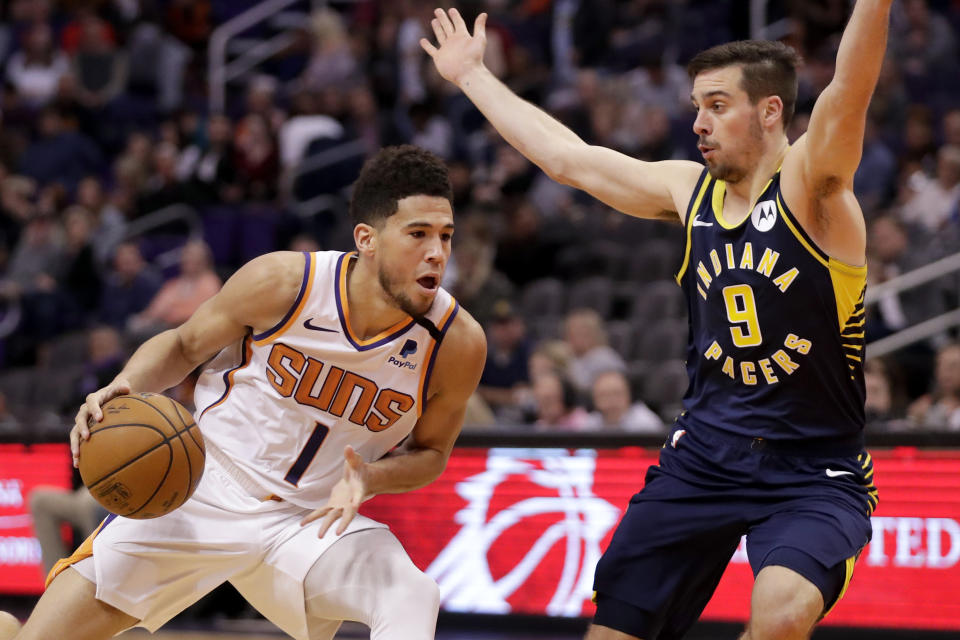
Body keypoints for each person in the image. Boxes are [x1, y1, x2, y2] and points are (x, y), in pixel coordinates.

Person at [422, 4, 887, 639]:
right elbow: (570, 160)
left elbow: (849, 89)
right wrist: (472, 74)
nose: (698, 122)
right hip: (703, 457)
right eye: (697, 105)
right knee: (614, 630)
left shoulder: (816, 189)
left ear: (770, 111)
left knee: (781, 617)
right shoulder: (688, 189)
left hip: (812, 469)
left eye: (718, 105)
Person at [14, 145, 486, 640]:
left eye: (445, 235)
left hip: (309, 521)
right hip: (201, 485)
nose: (437, 252)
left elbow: (432, 453)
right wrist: (124, 386)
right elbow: (182, 345)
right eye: (418, 234)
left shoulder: (457, 343)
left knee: (411, 593)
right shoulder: (286, 282)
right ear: (367, 239)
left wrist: (370, 476)